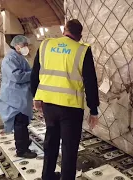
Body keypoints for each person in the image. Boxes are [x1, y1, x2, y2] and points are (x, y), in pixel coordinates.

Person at [31, 19, 100, 180]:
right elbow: (90, 82)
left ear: (64, 31)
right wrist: (94, 109)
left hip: (48, 104)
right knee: (69, 147)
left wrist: (36, 97)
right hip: (71, 107)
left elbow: (35, 74)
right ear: (80, 36)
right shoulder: (82, 50)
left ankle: (47, 176)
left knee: (51, 141)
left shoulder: (46, 45)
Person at [0, 35, 37, 159]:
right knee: (20, 123)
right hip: (14, 96)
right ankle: (22, 150)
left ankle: (25, 141)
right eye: (24, 45)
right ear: (17, 45)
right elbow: (17, 77)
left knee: (23, 121)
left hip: (20, 96)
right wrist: (35, 73)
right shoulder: (10, 59)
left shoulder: (18, 57)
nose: (26, 48)